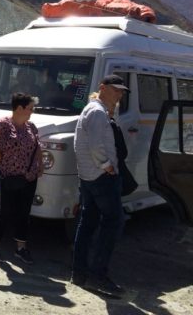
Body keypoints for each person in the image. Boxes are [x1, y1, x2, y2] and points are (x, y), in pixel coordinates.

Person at [71, 75, 129, 295]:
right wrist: (108, 166)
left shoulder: (95, 109)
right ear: (102, 88)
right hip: (100, 177)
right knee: (113, 223)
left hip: (89, 177)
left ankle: (80, 274)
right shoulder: (97, 111)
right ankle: (97, 275)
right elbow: (96, 145)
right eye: (116, 90)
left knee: (87, 224)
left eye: (121, 91)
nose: (119, 94)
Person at [0, 92, 42, 264]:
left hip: (28, 177)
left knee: (24, 212)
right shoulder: (3, 124)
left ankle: (21, 248)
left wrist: (39, 165)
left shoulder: (31, 126)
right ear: (19, 108)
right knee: (4, 211)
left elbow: (38, 146)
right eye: (30, 108)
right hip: (6, 175)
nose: (31, 112)